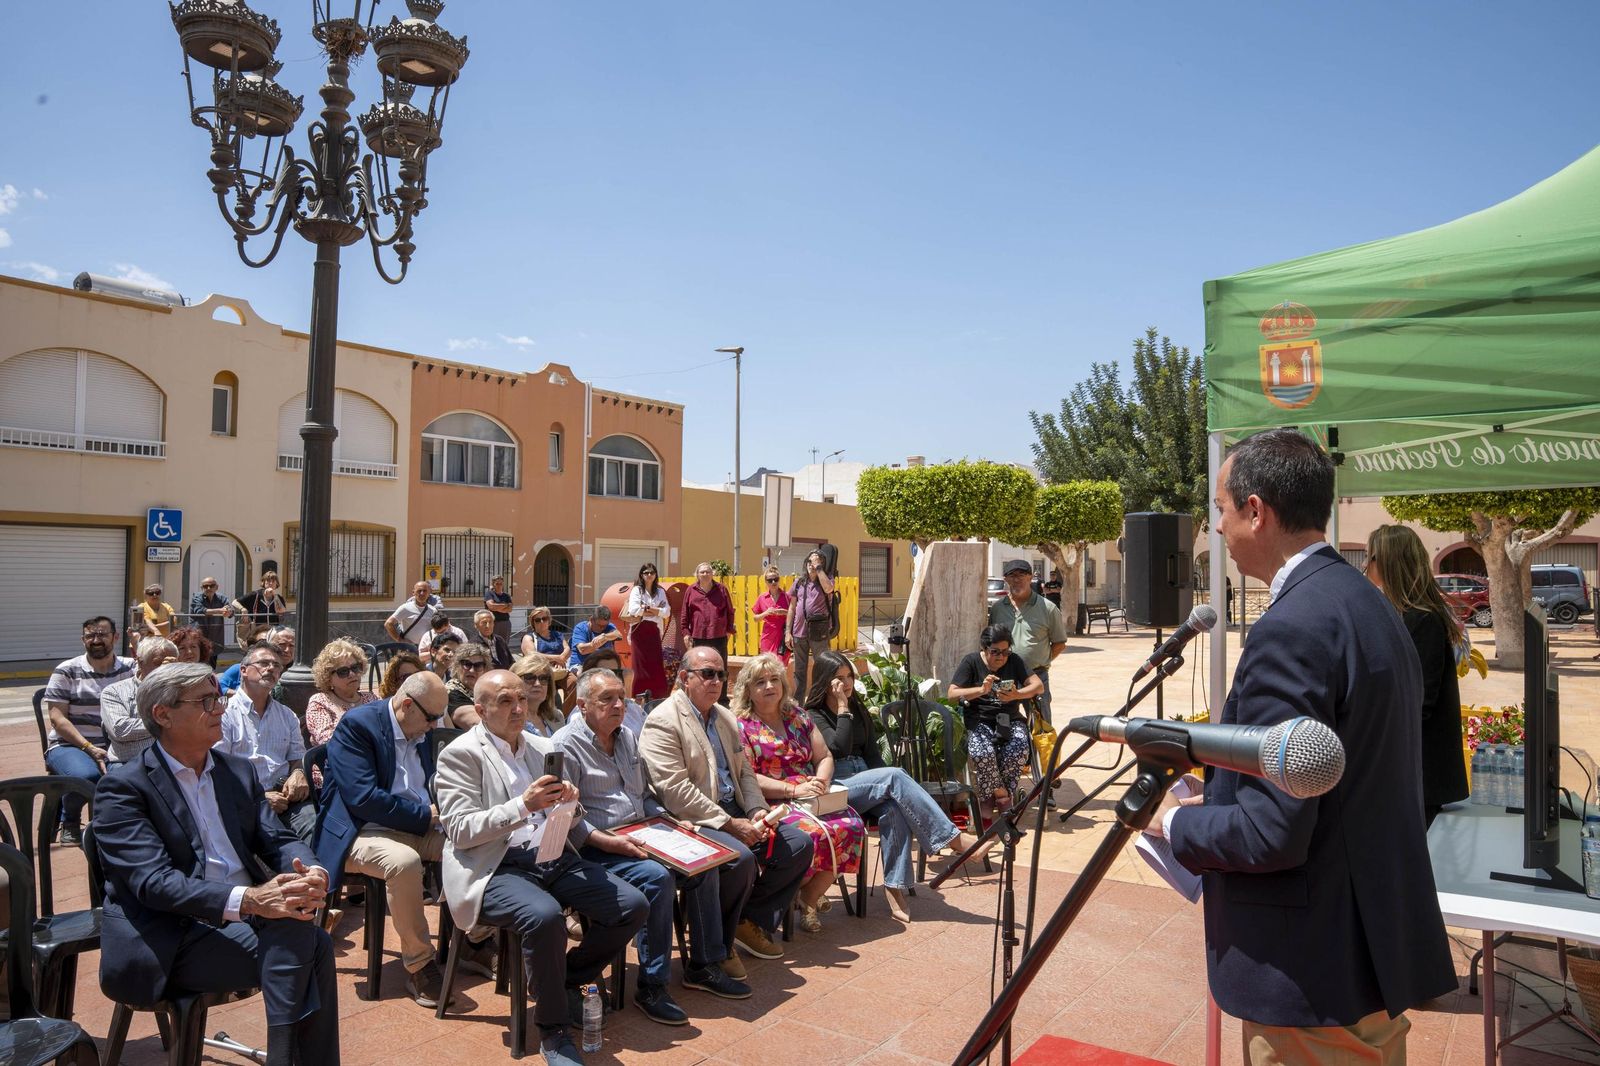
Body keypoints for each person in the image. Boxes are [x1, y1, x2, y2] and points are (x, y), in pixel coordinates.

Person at [1150, 429, 1457, 1064]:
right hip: (1361, 959)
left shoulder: (1291, 629)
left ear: (1256, 511)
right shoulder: (1369, 607)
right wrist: (1226, 785)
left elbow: (1272, 834)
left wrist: (1178, 821)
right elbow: (1337, 775)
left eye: (1222, 511)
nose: (1220, 531)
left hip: (1310, 978)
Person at [93, 662, 339, 1066]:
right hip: (172, 933)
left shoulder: (235, 772)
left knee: (305, 940)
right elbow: (154, 883)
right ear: (163, 714)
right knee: (311, 943)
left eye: (219, 698)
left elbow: (276, 838)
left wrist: (310, 870)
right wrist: (251, 900)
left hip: (245, 919)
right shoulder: (123, 788)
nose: (221, 709)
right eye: (206, 701)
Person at [434, 669, 652, 1066]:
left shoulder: (540, 745)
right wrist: (524, 805)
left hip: (550, 854)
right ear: (480, 710)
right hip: (494, 866)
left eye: (521, 699)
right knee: (545, 916)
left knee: (632, 905)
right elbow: (461, 830)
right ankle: (552, 1031)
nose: (519, 708)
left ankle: (566, 978)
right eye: (505, 701)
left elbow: (568, 815)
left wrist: (569, 802)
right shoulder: (460, 754)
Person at [554, 668, 741, 1023]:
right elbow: (569, 819)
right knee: (657, 878)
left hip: (643, 832)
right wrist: (609, 842)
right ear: (582, 705)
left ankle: (705, 964)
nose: (617, 705)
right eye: (606, 699)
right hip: (596, 846)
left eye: (620, 698)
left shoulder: (626, 737)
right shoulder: (566, 744)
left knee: (704, 858)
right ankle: (652, 985)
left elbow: (642, 797)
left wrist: (672, 821)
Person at [639, 646, 814, 962]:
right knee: (740, 858)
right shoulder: (663, 720)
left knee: (799, 845)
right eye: (707, 674)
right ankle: (718, 943)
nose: (716, 681)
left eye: (721, 675)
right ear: (684, 678)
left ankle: (745, 922)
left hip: (734, 810)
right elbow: (675, 791)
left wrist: (757, 810)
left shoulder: (724, 717)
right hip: (692, 820)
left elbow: (744, 771)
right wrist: (730, 824)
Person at [313, 671, 467, 1008]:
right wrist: (426, 816)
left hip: (415, 824)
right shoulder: (359, 726)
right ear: (407, 706)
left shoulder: (419, 727)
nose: (434, 726)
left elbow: (433, 782)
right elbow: (363, 798)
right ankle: (420, 964)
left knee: (472, 842)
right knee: (404, 863)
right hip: (361, 831)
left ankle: (476, 942)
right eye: (430, 718)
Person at [805, 649, 994, 922]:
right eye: (838, 678)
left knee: (893, 807)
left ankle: (894, 887)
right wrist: (842, 708)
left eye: (848, 676)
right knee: (894, 776)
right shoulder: (814, 714)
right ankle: (956, 841)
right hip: (837, 783)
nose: (846, 684)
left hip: (866, 778)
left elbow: (871, 753)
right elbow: (836, 747)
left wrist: (878, 781)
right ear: (824, 681)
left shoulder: (857, 708)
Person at [731, 653, 864, 934]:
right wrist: (792, 789)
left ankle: (807, 896)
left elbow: (824, 755)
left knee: (852, 825)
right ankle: (807, 898)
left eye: (775, 679)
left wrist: (822, 782)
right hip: (772, 800)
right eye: (760, 682)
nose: (769, 686)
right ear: (748, 690)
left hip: (810, 794)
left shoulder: (797, 715)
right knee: (810, 836)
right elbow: (748, 777)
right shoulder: (741, 725)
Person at [1365, 524, 1471, 826]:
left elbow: (1418, 703)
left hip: (1420, 777)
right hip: (1412, 775)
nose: (1365, 565)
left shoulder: (1422, 619)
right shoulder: (1410, 614)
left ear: (1388, 561)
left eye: (1370, 556)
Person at [43, 616, 134, 844]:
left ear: (115, 637)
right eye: (90, 635)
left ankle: (117, 825)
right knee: (87, 776)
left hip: (116, 744)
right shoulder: (67, 671)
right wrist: (89, 747)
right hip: (70, 744)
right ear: (83, 640)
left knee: (134, 773)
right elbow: (57, 718)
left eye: (102, 634)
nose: (96, 640)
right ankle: (70, 821)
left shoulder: (131, 668)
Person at [219, 643, 314, 842]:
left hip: (287, 800)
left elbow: (297, 757)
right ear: (243, 671)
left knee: (317, 829)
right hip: (244, 802)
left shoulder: (287, 715)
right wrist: (258, 800)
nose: (270, 668)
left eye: (276, 666)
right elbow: (217, 770)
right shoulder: (224, 715)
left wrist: (298, 772)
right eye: (263, 663)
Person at [947, 624, 1041, 812]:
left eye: (1005, 652)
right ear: (984, 648)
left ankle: (989, 797)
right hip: (979, 720)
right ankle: (1002, 796)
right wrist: (981, 690)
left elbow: (1038, 686)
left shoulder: (1014, 661)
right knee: (982, 752)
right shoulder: (972, 662)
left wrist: (1017, 695)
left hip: (1010, 719)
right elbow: (952, 694)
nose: (1001, 657)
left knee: (1019, 749)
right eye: (995, 652)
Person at [988, 559, 1069, 724]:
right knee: (1004, 725)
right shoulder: (998, 609)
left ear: (1030, 577)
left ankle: (1043, 751)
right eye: (1012, 575)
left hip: (1035, 677)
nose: (1017, 579)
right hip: (1005, 676)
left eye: (1022, 575)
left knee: (1041, 726)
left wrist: (1041, 661)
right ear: (1006, 579)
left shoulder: (1048, 608)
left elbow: (1059, 643)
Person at [101, 636, 177, 765]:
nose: (165, 669)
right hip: (128, 763)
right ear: (140, 663)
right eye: (158, 663)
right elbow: (121, 730)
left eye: (171, 664)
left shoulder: (183, 689)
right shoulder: (114, 692)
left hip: (174, 762)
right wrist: (167, 722)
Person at [786, 550, 835, 713]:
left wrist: (819, 569)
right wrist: (788, 631)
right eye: (809, 562)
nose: (811, 565)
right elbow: (792, 608)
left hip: (819, 633)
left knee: (822, 667)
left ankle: (820, 704)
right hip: (799, 633)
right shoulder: (799, 582)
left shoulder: (826, 580)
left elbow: (829, 589)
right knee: (799, 671)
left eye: (815, 562)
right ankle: (798, 707)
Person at [304, 639, 375, 748]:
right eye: (343, 671)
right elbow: (327, 740)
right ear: (328, 678)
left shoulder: (372, 699)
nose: (351, 674)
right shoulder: (320, 702)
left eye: (355, 668)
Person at [620, 562, 671, 702]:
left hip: (654, 631)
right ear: (641, 575)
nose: (649, 575)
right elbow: (634, 610)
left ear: (656, 575)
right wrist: (655, 610)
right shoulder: (637, 590)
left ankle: (657, 696)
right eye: (646, 572)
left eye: (652, 572)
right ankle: (639, 696)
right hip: (639, 631)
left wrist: (650, 610)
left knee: (655, 664)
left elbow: (667, 612)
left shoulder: (660, 592)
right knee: (639, 665)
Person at [573, 648, 647, 737]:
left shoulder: (632, 707)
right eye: (604, 674)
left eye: (615, 673)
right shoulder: (580, 716)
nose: (610, 678)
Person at [681, 562, 735, 680]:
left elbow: (730, 611)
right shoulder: (691, 590)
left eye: (708, 571)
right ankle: (701, 696)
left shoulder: (722, 589)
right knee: (699, 667)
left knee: (720, 668)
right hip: (698, 636)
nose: (705, 574)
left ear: (712, 574)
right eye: (702, 572)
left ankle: (722, 698)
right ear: (697, 575)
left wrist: (729, 631)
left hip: (718, 635)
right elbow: (685, 614)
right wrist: (686, 633)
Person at [220, 625, 295, 699]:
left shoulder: (298, 674)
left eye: (292, 645)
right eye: (282, 644)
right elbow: (219, 687)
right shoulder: (247, 668)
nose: (287, 650)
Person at [230, 572, 286, 650]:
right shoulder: (255, 595)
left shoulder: (278, 598)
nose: (270, 583)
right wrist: (243, 609)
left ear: (277, 584)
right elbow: (234, 602)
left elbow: (281, 611)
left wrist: (274, 596)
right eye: (268, 581)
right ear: (263, 582)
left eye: (273, 581)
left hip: (272, 633)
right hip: (256, 634)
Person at [750, 566, 791, 665]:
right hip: (768, 636)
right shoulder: (762, 598)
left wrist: (785, 612)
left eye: (776, 579)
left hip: (783, 635)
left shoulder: (787, 597)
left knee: (781, 665)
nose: (773, 582)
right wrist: (766, 613)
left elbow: (797, 615)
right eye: (770, 580)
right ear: (766, 582)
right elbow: (755, 618)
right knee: (767, 664)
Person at [188, 576, 232, 665]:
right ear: (201, 588)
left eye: (211, 586)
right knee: (198, 663)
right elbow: (199, 610)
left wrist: (229, 611)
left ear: (216, 587)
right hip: (199, 635)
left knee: (212, 665)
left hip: (215, 637)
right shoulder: (197, 597)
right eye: (205, 586)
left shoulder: (222, 598)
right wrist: (220, 610)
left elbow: (230, 610)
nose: (208, 588)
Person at [445, 643, 493, 724]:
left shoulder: (486, 690)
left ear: (485, 669)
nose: (472, 670)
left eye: (478, 665)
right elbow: (478, 723)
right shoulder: (451, 692)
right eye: (467, 664)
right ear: (457, 666)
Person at [384, 581, 441, 646]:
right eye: (419, 591)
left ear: (429, 593)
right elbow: (388, 624)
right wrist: (399, 640)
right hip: (409, 649)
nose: (422, 593)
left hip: (426, 648)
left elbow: (438, 628)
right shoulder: (405, 608)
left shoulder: (433, 610)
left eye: (425, 591)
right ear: (413, 593)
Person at [566, 605, 622, 670]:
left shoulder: (609, 626)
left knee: (628, 673)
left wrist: (604, 637)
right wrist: (596, 643)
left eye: (604, 625)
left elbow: (618, 634)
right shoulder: (580, 628)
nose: (602, 628)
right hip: (581, 665)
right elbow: (582, 650)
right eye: (599, 625)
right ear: (591, 620)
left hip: (605, 666)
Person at [484, 575, 514, 643]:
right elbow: (491, 606)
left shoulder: (506, 595)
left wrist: (497, 608)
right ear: (493, 584)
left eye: (501, 584)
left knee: (504, 643)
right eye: (497, 583)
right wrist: (505, 605)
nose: (499, 585)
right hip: (493, 623)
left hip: (505, 622)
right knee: (492, 643)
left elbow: (510, 609)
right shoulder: (489, 594)